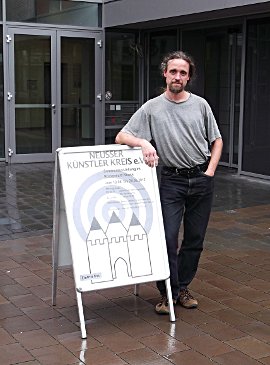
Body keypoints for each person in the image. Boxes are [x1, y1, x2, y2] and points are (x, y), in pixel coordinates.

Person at [115, 50, 223, 314]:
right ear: (165, 73)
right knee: (166, 238)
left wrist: (209, 171)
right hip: (171, 181)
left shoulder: (200, 105)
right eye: (173, 71)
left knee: (195, 238)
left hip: (201, 178)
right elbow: (121, 136)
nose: (178, 76)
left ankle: (182, 288)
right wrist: (143, 142)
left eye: (183, 73)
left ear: (188, 77)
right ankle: (167, 293)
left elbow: (216, 140)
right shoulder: (151, 107)